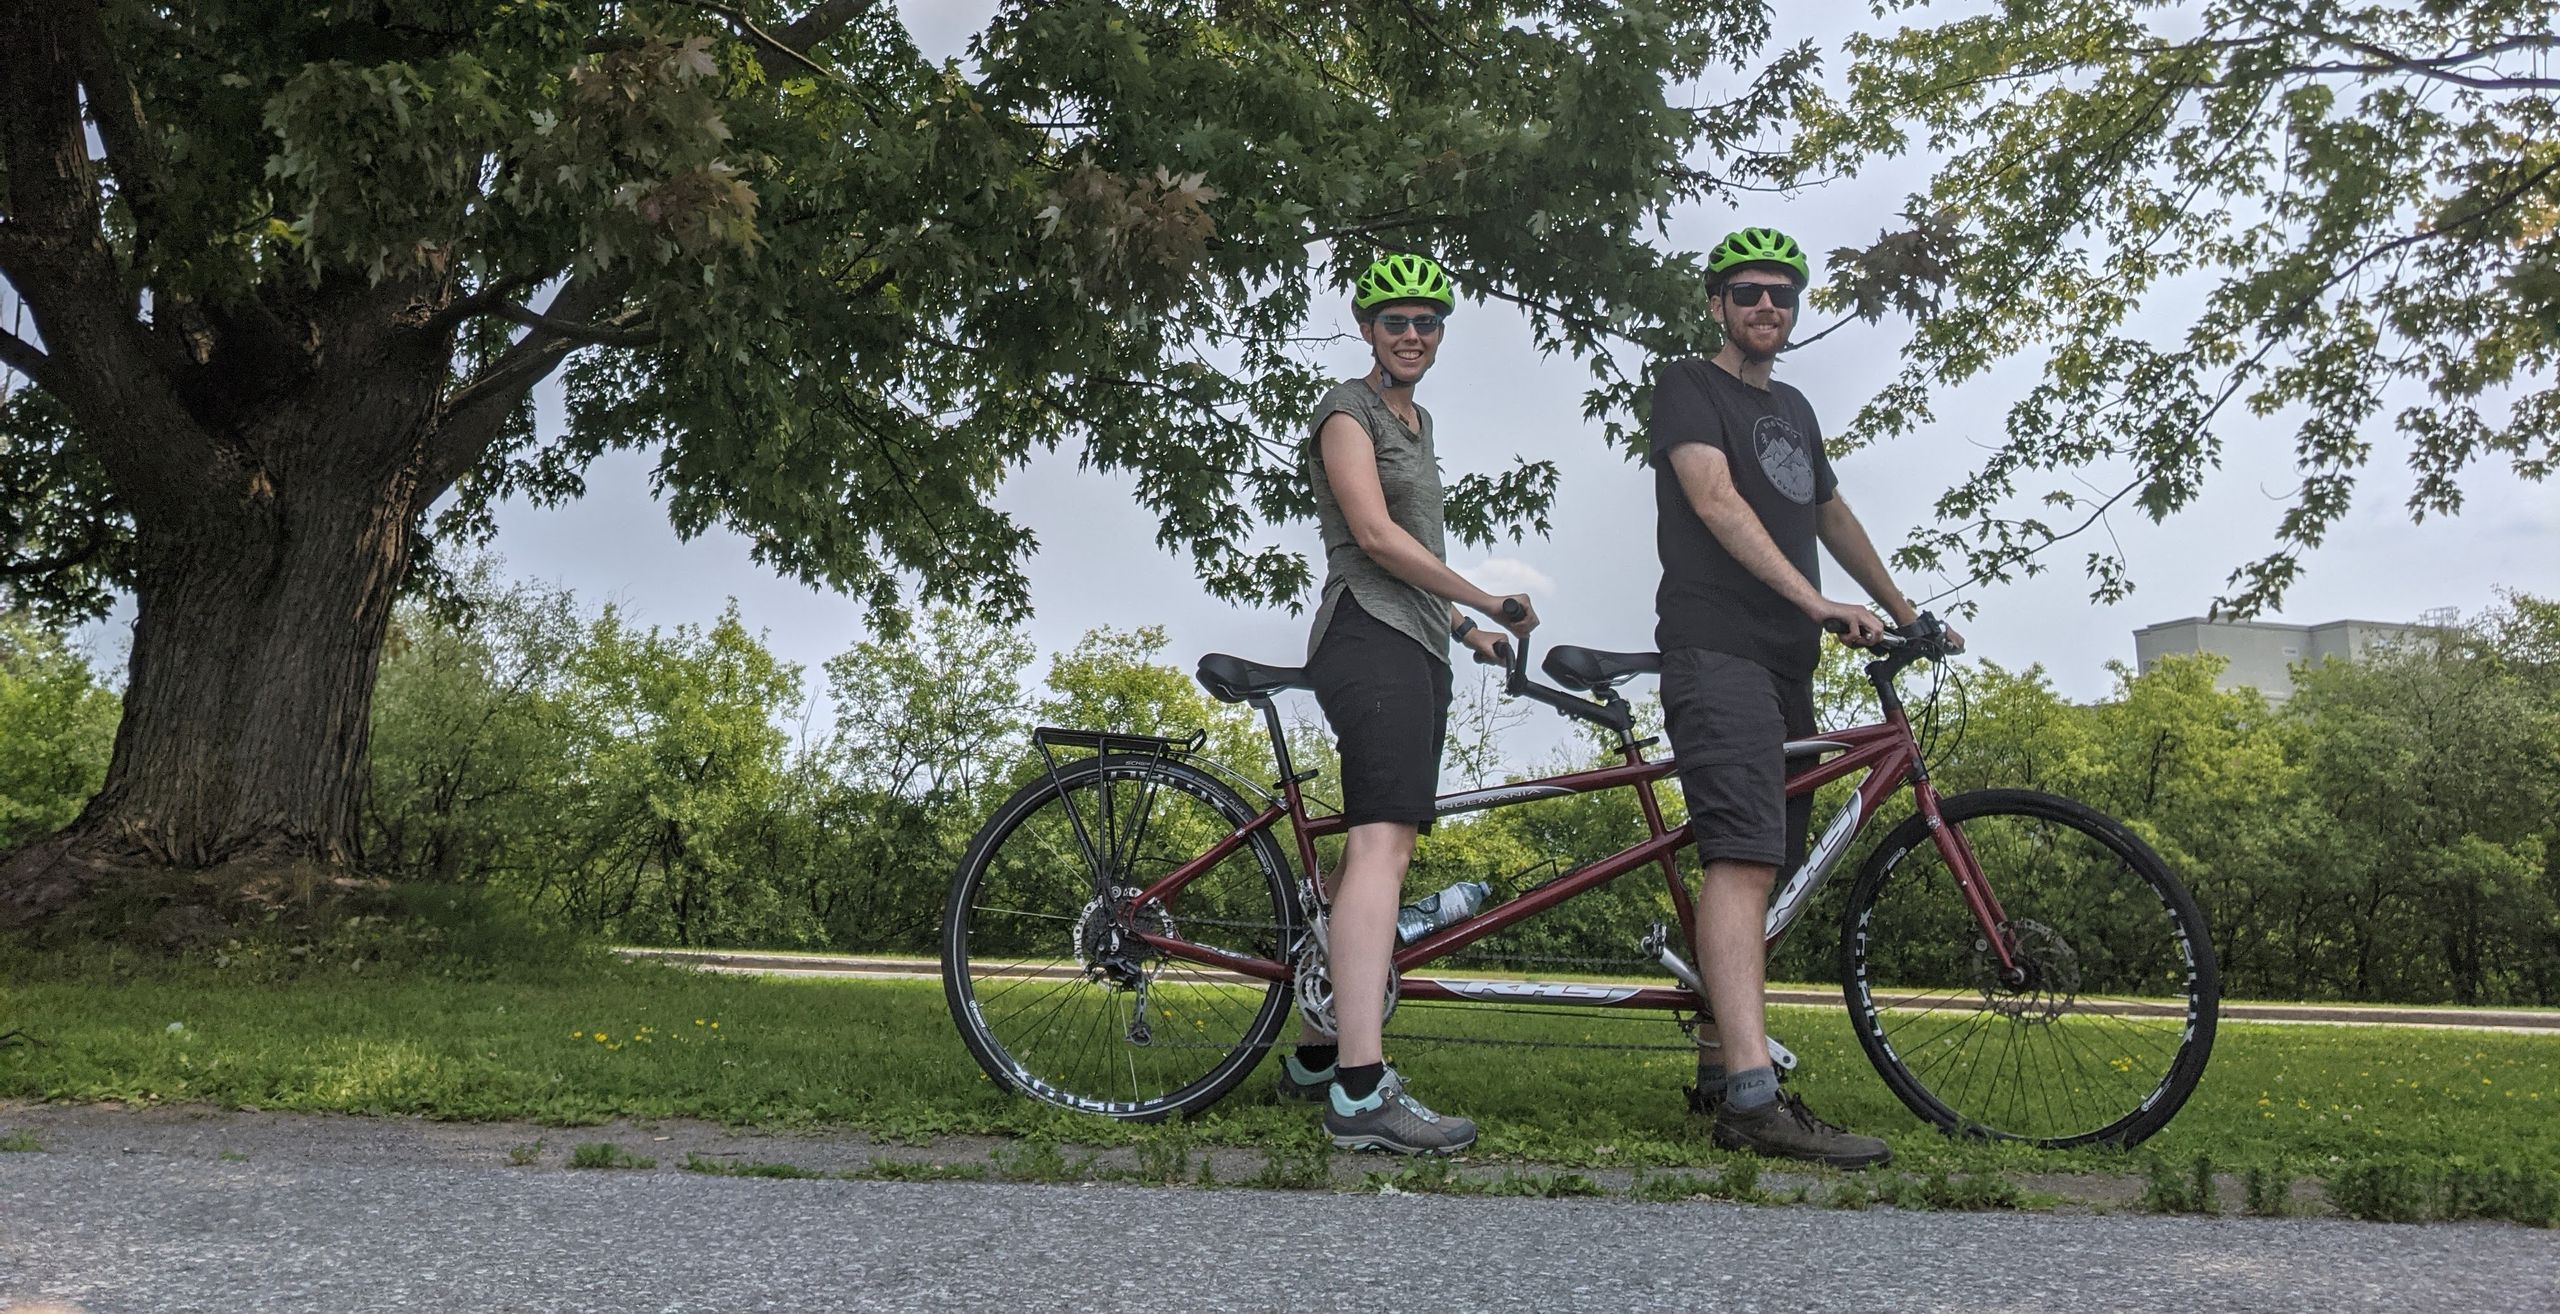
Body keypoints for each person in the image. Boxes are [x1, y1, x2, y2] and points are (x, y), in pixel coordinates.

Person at [1649, 226, 1958, 1168]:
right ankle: (1753, 1097)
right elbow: (1714, 501)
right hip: (1718, 650)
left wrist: (1909, 612)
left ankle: (1716, 1070)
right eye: (1747, 294)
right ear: (1716, 304)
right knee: (1742, 855)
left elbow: (1830, 512)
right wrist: (1817, 599)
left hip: (1788, 663)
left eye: (1782, 295)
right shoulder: (1686, 386)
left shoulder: (1794, 407)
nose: (1766, 308)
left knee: (1765, 860)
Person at [1276, 253, 1537, 1155]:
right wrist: (1488, 596)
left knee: (1366, 864)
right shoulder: (1346, 411)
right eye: (1397, 319)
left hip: (1419, 644)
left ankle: (1315, 1054)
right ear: (1367, 328)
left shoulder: (1416, 422)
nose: (1414, 333)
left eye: (1429, 320)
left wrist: (1468, 632)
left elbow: (1413, 548)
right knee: (1379, 846)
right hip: (1366, 637)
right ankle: (1359, 1092)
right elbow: (1379, 540)